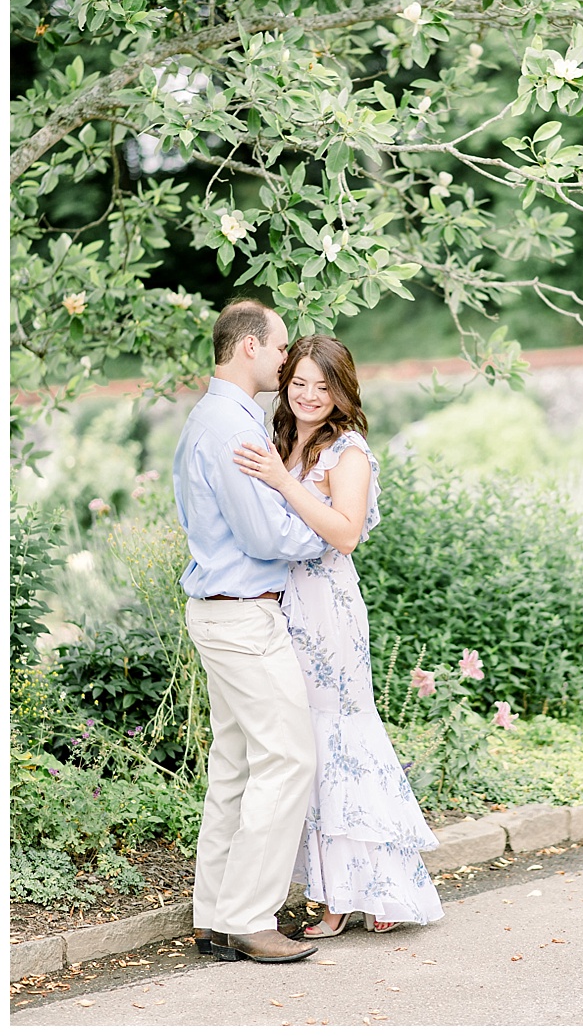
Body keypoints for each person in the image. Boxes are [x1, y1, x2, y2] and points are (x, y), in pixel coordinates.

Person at [233, 334, 443, 937]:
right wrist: (282, 474)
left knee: (337, 741)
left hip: (327, 607)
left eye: (322, 387)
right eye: (298, 381)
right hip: (281, 605)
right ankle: (348, 888)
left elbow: (344, 533)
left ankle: (350, 897)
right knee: (302, 744)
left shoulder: (346, 451)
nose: (307, 395)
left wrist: (284, 481)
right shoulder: (279, 439)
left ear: (342, 392)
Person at [172, 299, 327, 964]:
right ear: (248, 349)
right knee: (289, 759)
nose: (287, 359)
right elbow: (265, 532)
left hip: (223, 610)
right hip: (242, 612)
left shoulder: (210, 418)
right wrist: (322, 532)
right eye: (280, 347)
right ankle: (249, 917)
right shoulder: (231, 427)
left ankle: (214, 914)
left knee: (236, 766)